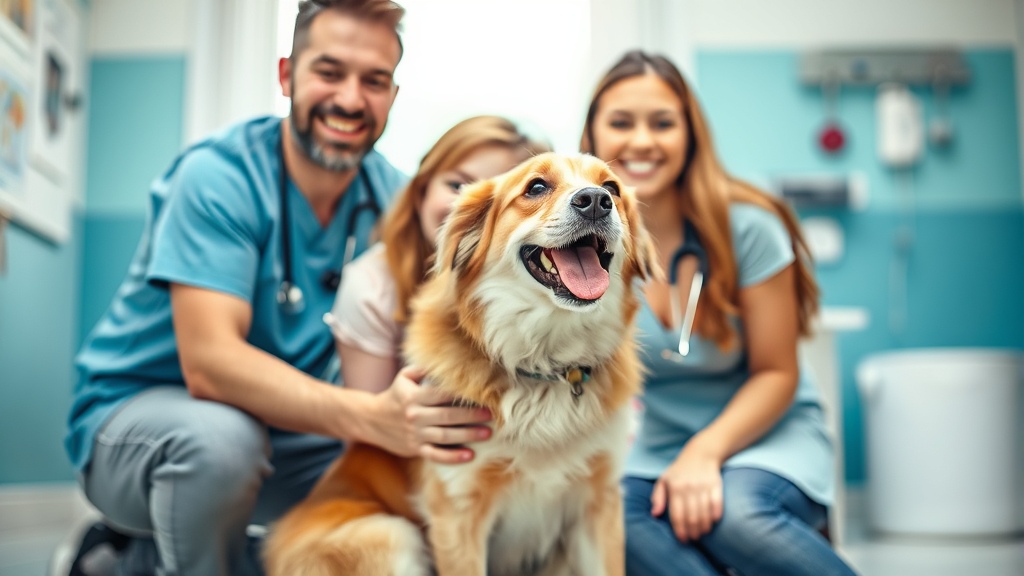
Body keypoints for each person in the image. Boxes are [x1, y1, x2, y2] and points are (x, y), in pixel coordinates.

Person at [64, 1, 492, 574]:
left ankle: (133, 561)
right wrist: (371, 416)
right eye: (329, 72)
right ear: (287, 75)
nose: (349, 99)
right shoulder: (217, 177)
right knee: (221, 444)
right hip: (145, 425)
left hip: (288, 430)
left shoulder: (396, 198)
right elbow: (210, 366)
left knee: (404, 476)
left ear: (392, 96)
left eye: (374, 81)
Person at [581, 50, 858, 575]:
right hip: (655, 445)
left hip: (767, 432)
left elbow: (777, 373)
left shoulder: (749, 227)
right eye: (621, 123)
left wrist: (705, 453)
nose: (641, 141)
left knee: (737, 516)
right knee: (605, 517)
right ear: (592, 134)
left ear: (690, 135)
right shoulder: (578, 244)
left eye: (662, 123)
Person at [323, 115, 548, 397]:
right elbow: (365, 426)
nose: (469, 204)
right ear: (422, 190)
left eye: (492, 197)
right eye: (456, 185)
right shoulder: (370, 286)